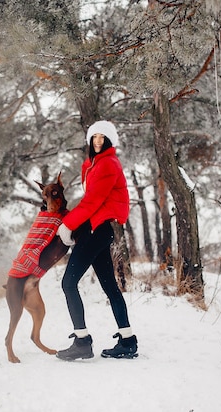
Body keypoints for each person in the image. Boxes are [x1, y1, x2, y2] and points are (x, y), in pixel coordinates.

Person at [55, 120, 137, 361]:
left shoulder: (108, 164)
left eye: (103, 137)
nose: (98, 141)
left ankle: (82, 342)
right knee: (110, 286)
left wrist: (67, 225)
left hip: (97, 231)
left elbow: (92, 202)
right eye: (95, 137)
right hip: (98, 230)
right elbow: (92, 202)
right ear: (90, 141)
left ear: (110, 140)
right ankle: (128, 341)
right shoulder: (93, 164)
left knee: (68, 284)